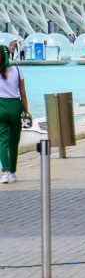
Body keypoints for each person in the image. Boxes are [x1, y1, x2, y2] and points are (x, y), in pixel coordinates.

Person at [0, 47, 30, 184]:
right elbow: (23, 93)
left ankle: (5, 172)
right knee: (14, 140)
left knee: (3, 140)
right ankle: (12, 172)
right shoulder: (18, 70)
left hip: (1, 106)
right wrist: (26, 111)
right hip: (16, 107)